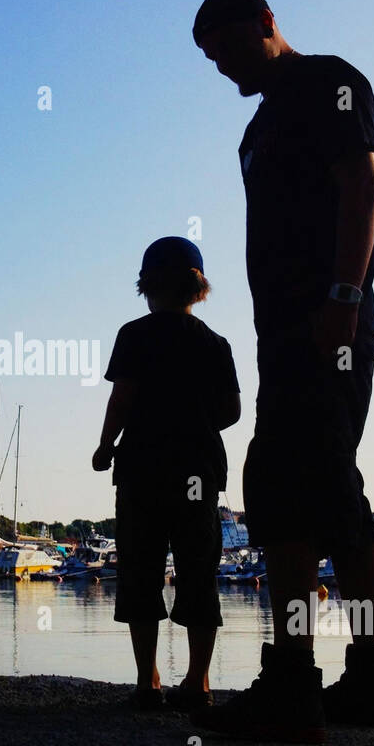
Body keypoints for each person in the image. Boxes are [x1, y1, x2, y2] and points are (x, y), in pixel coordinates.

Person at [188, 0, 374, 743]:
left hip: (329, 326)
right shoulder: (255, 129)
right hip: (284, 336)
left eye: (229, 49)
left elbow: (364, 183)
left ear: (267, 23)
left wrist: (344, 297)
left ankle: (291, 678)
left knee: (278, 487)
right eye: (211, 61)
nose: (223, 68)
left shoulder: (328, 83)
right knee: (334, 494)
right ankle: (372, 675)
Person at [92, 237, 241, 712]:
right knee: (200, 571)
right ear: (199, 289)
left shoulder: (134, 335)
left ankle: (147, 681)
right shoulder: (215, 344)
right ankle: (197, 681)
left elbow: (123, 397)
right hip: (198, 469)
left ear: (146, 285)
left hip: (141, 470)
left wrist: (104, 445)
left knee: (141, 570)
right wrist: (195, 421)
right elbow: (233, 411)